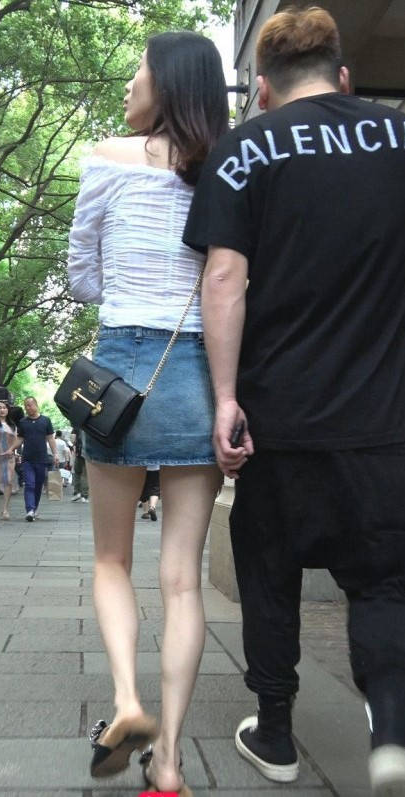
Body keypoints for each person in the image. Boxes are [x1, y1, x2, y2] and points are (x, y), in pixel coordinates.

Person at [183, 7, 405, 795]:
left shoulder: (244, 150)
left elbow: (224, 278)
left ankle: (274, 732)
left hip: (278, 416)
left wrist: (224, 398)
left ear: (264, 90)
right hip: (383, 420)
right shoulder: (396, 138)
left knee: (268, 570)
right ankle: (389, 731)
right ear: (343, 75)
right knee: (383, 580)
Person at [67, 31, 228, 795]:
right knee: (182, 580)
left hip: (119, 373)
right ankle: (167, 763)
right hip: (196, 369)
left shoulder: (107, 157)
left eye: (138, 70)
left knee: (111, 560)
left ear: (164, 82)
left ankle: (128, 701)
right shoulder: (225, 169)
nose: (130, 83)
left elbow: (80, 277)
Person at [5, 397, 58, 521]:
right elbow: (20, 438)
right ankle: (29, 510)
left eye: (30, 405)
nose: (28, 408)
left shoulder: (45, 420)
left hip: (42, 459)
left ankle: (34, 509)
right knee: (29, 484)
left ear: (36, 405)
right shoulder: (23, 422)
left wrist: (55, 454)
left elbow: (50, 438)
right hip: (27, 459)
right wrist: (11, 448)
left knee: (38, 485)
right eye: (26, 406)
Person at [71, 429, 88, 503]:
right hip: (88, 453)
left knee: (77, 473)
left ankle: (77, 492)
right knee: (85, 475)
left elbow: (72, 439)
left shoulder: (77, 426)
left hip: (79, 453)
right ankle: (84, 496)